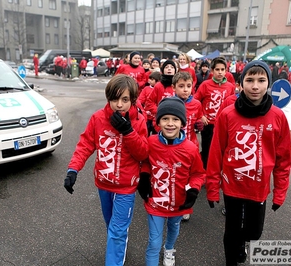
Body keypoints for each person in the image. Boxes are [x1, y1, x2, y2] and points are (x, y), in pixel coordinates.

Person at [206, 60, 291, 266]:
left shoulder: (278, 117)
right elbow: (216, 153)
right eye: (250, 80)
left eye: (261, 80)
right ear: (240, 83)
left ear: (268, 83)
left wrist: (280, 192)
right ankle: (232, 259)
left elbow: (284, 160)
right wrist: (211, 187)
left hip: (258, 188)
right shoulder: (227, 115)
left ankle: (243, 241)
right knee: (232, 231)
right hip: (232, 186)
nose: (255, 86)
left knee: (254, 232)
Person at [63, 74, 149, 266]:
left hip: (126, 187)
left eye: (125, 100)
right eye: (114, 99)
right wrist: (72, 170)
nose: (119, 104)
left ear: (132, 100)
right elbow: (85, 144)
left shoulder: (138, 121)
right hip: (103, 183)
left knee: (117, 230)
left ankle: (114, 260)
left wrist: (128, 132)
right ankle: (117, 248)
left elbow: (143, 153)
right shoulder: (98, 118)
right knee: (111, 225)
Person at [138, 97, 206, 266]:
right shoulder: (151, 142)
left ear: (182, 122)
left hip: (179, 203)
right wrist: (145, 177)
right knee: (154, 243)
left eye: (175, 119)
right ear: (158, 122)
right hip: (156, 202)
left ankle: (169, 249)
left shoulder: (190, 148)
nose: (170, 123)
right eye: (165, 119)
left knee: (174, 229)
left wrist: (194, 190)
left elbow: (198, 173)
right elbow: (146, 161)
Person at [170, 71, 204, 221]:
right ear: (174, 87)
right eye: (181, 86)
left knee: (189, 176)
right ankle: (171, 201)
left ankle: (186, 206)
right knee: (175, 175)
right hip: (173, 146)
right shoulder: (169, 103)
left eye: (188, 86)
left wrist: (199, 125)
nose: (185, 89)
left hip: (191, 146)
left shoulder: (196, 104)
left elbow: (198, 120)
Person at [194, 57, 235, 169]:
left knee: (221, 150)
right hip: (208, 124)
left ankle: (217, 172)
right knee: (207, 149)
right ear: (212, 71)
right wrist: (201, 115)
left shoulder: (230, 87)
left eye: (222, 69)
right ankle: (204, 172)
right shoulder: (205, 85)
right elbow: (196, 101)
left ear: (226, 71)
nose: (220, 72)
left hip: (223, 125)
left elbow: (232, 105)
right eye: (217, 69)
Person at [145, 60, 178, 133]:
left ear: (175, 70)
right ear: (162, 70)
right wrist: (159, 110)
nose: (169, 69)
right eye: (166, 67)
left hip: (175, 121)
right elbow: (149, 102)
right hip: (159, 121)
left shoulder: (178, 85)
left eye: (172, 67)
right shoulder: (158, 85)